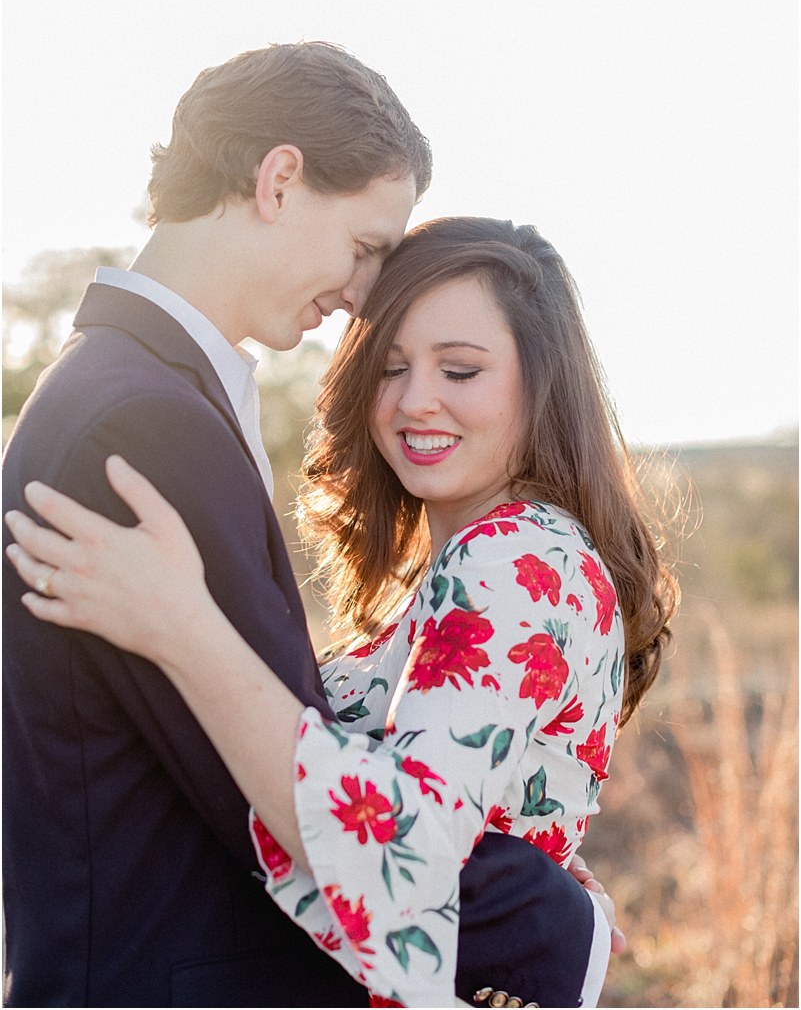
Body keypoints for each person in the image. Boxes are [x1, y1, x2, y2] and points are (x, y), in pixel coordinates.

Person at [2, 50, 616, 1008]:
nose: (364, 293)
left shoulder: (127, 393)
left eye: (459, 369)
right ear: (279, 180)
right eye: (367, 246)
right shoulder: (141, 422)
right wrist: (553, 927)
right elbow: (264, 803)